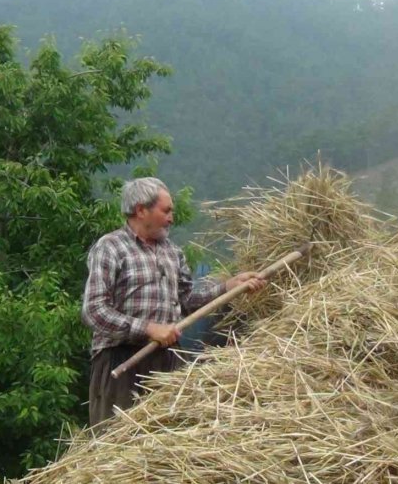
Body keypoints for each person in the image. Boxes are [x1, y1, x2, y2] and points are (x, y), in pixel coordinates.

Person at [82, 177, 266, 426]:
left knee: (169, 440)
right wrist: (148, 328)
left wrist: (228, 286)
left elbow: (187, 300)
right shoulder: (111, 248)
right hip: (121, 362)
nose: (171, 218)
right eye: (166, 211)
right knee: (117, 444)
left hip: (167, 361)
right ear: (141, 210)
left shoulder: (172, 252)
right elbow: (94, 311)